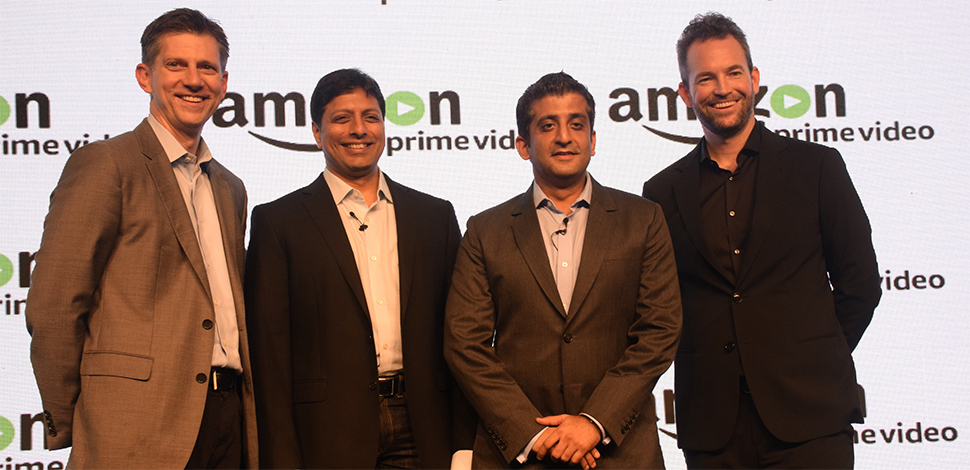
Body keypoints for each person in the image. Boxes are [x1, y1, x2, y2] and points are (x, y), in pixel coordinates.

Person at [642, 13, 882, 469]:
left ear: (753, 79)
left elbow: (861, 285)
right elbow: (662, 308)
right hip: (714, 427)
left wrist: (812, 358)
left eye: (733, 73)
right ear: (685, 93)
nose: (722, 88)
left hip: (811, 418)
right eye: (705, 78)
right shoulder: (661, 192)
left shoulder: (817, 167)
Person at [25, 8, 256, 469]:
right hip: (131, 424)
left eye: (207, 67)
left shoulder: (230, 188)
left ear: (224, 83)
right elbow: (54, 304)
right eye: (176, 65)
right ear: (144, 76)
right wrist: (80, 416)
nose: (194, 80)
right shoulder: (107, 164)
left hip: (227, 418)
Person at [445, 72, 682, 469]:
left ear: (593, 140)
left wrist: (594, 422)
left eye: (576, 124)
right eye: (547, 126)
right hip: (522, 455)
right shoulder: (486, 231)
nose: (564, 137)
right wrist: (533, 433)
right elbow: (465, 344)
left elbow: (660, 330)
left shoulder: (643, 219)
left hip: (620, 453)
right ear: (523, 145)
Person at [245, 68, 474, 469]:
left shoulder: (434, 217)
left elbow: (460, 336)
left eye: (371, 117)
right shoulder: (278, 222)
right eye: (341, 118)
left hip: (424, 427)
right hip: (327, 434)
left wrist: (464, 445)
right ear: (317, 132)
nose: (358, 130)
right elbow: (270, 357)